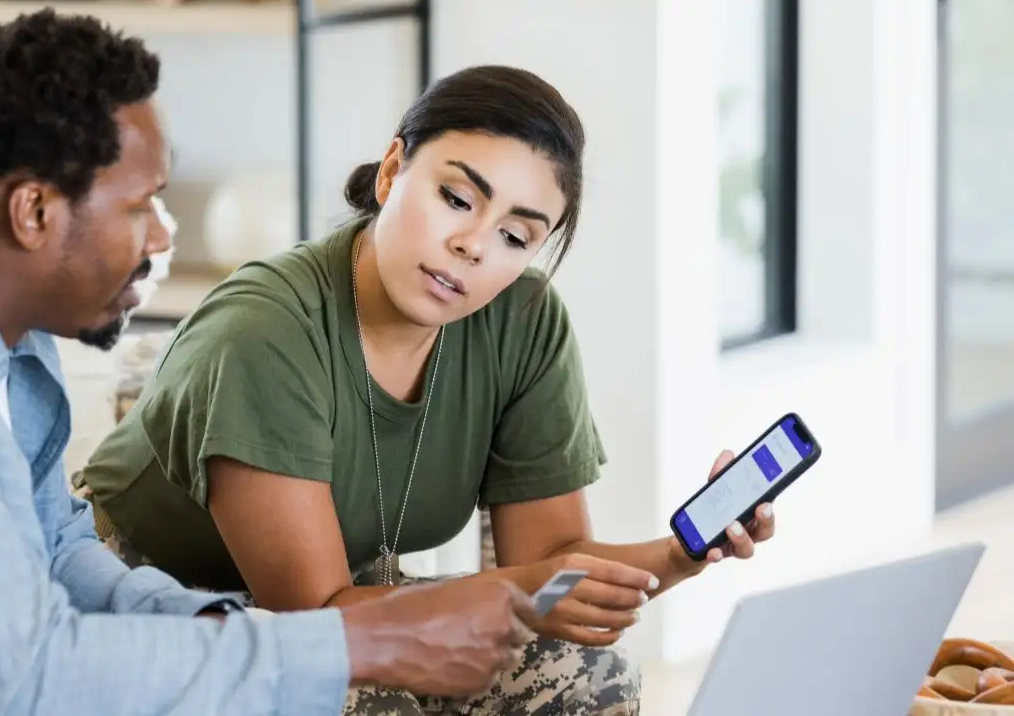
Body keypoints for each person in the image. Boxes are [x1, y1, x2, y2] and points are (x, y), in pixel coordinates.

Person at [0, 11, 545, 715]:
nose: (161, 236)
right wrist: (341, 651)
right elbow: (17, 677)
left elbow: (51, 551)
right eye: (140, 204)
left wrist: (230, 630)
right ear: (35, 211)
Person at [77, 64, 779, 715]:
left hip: (343, 602)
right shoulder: (265, 332)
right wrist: (520, 592)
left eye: (515, 235)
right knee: (371, 703)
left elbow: (553, 572)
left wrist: (682, 554)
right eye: (455, 198)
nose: (473, 245)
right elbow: (315, 625)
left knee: (587, 675)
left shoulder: (522, 323)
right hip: (150, 608)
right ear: (391, 170)